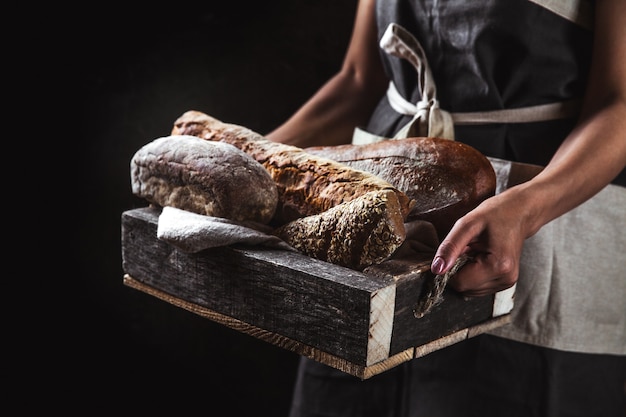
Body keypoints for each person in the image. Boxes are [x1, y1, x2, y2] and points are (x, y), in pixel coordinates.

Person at [265, 0, 626, 416]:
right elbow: (358, 80)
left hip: (536, 240)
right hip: (367, 248)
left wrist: (527, 208)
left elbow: (616, 102)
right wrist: (245, 156)